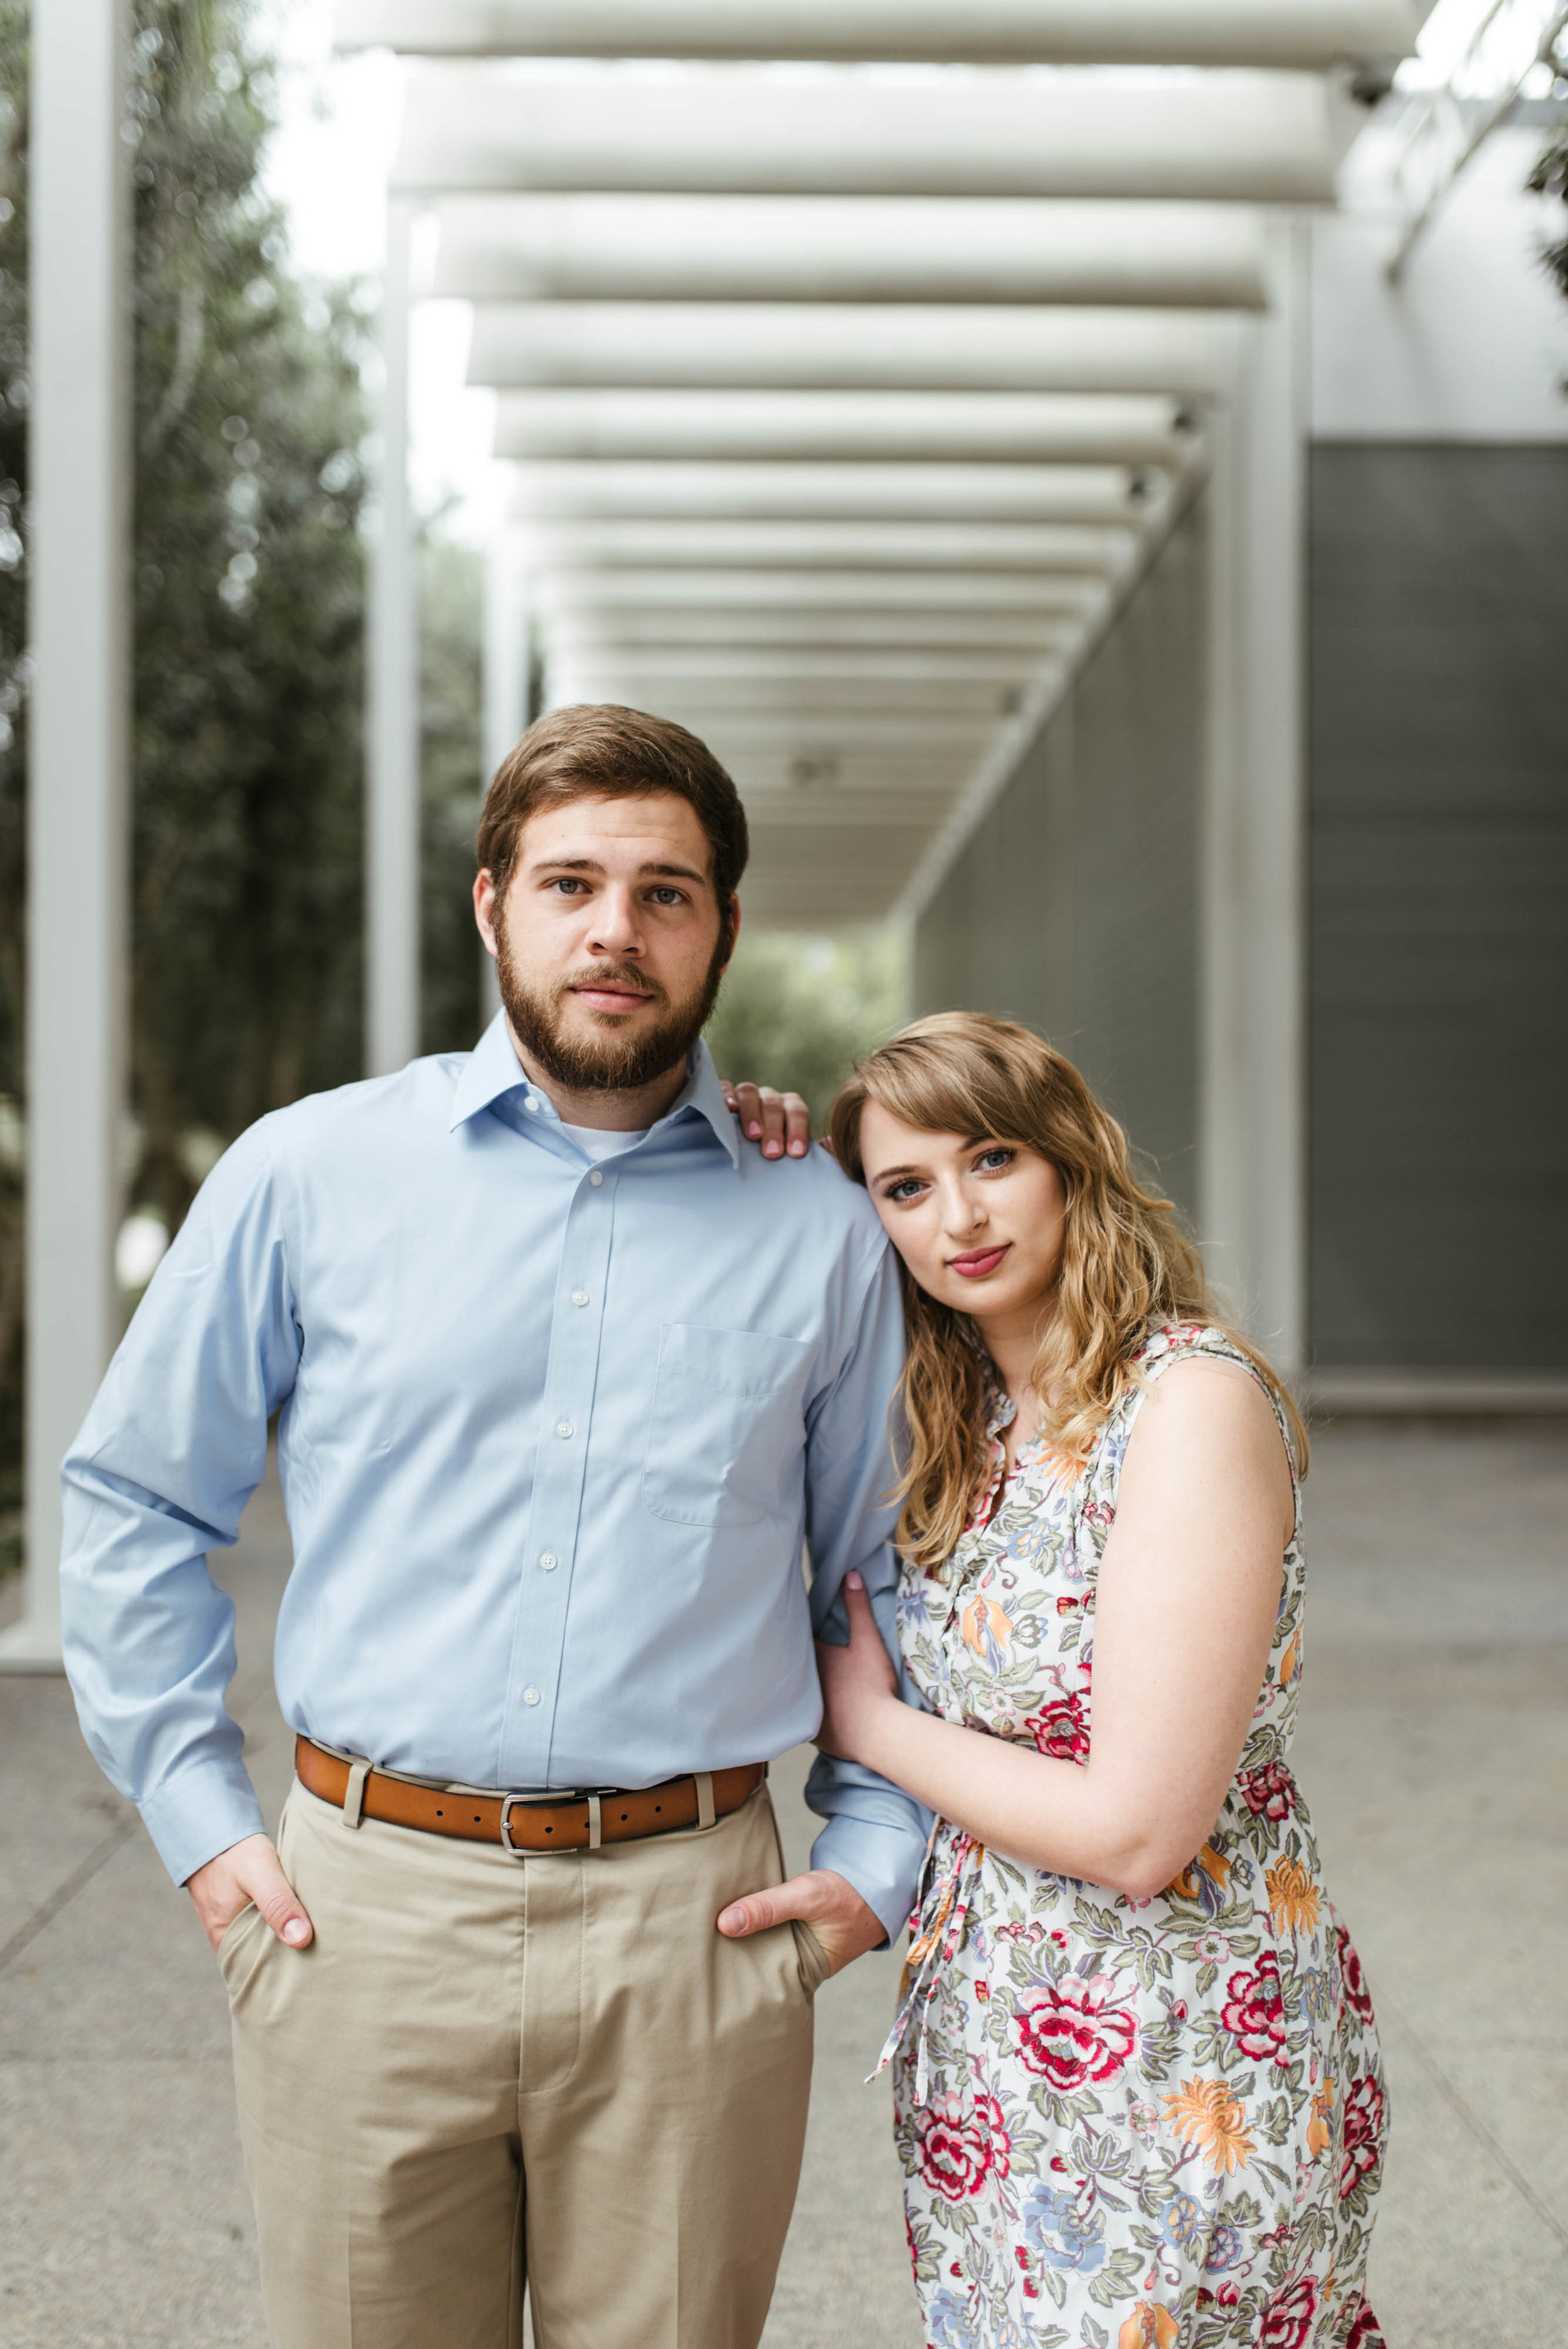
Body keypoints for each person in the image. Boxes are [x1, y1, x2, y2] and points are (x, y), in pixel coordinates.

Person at [58, 703, 930, 2349]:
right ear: (491, 905)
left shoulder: (816, 1233)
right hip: (360, 1918)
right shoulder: (306, 1175)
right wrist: (198, 1815)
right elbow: (132, 1495)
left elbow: (879, 1573)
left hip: (696, 1928)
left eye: (667, 892)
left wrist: (875, 1853)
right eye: (572, 883)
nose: (616, 928)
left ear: (724, 929)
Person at [811, 1014, 1387, 2349]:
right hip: (998, 2047)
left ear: (1069, 1159)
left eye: (992, 1156)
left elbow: (1137, 1828)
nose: (956, 1213)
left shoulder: (1182, 1401)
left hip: (1182, 2042)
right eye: (904, 1186)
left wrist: (868, 1722)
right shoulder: (965, 1416)